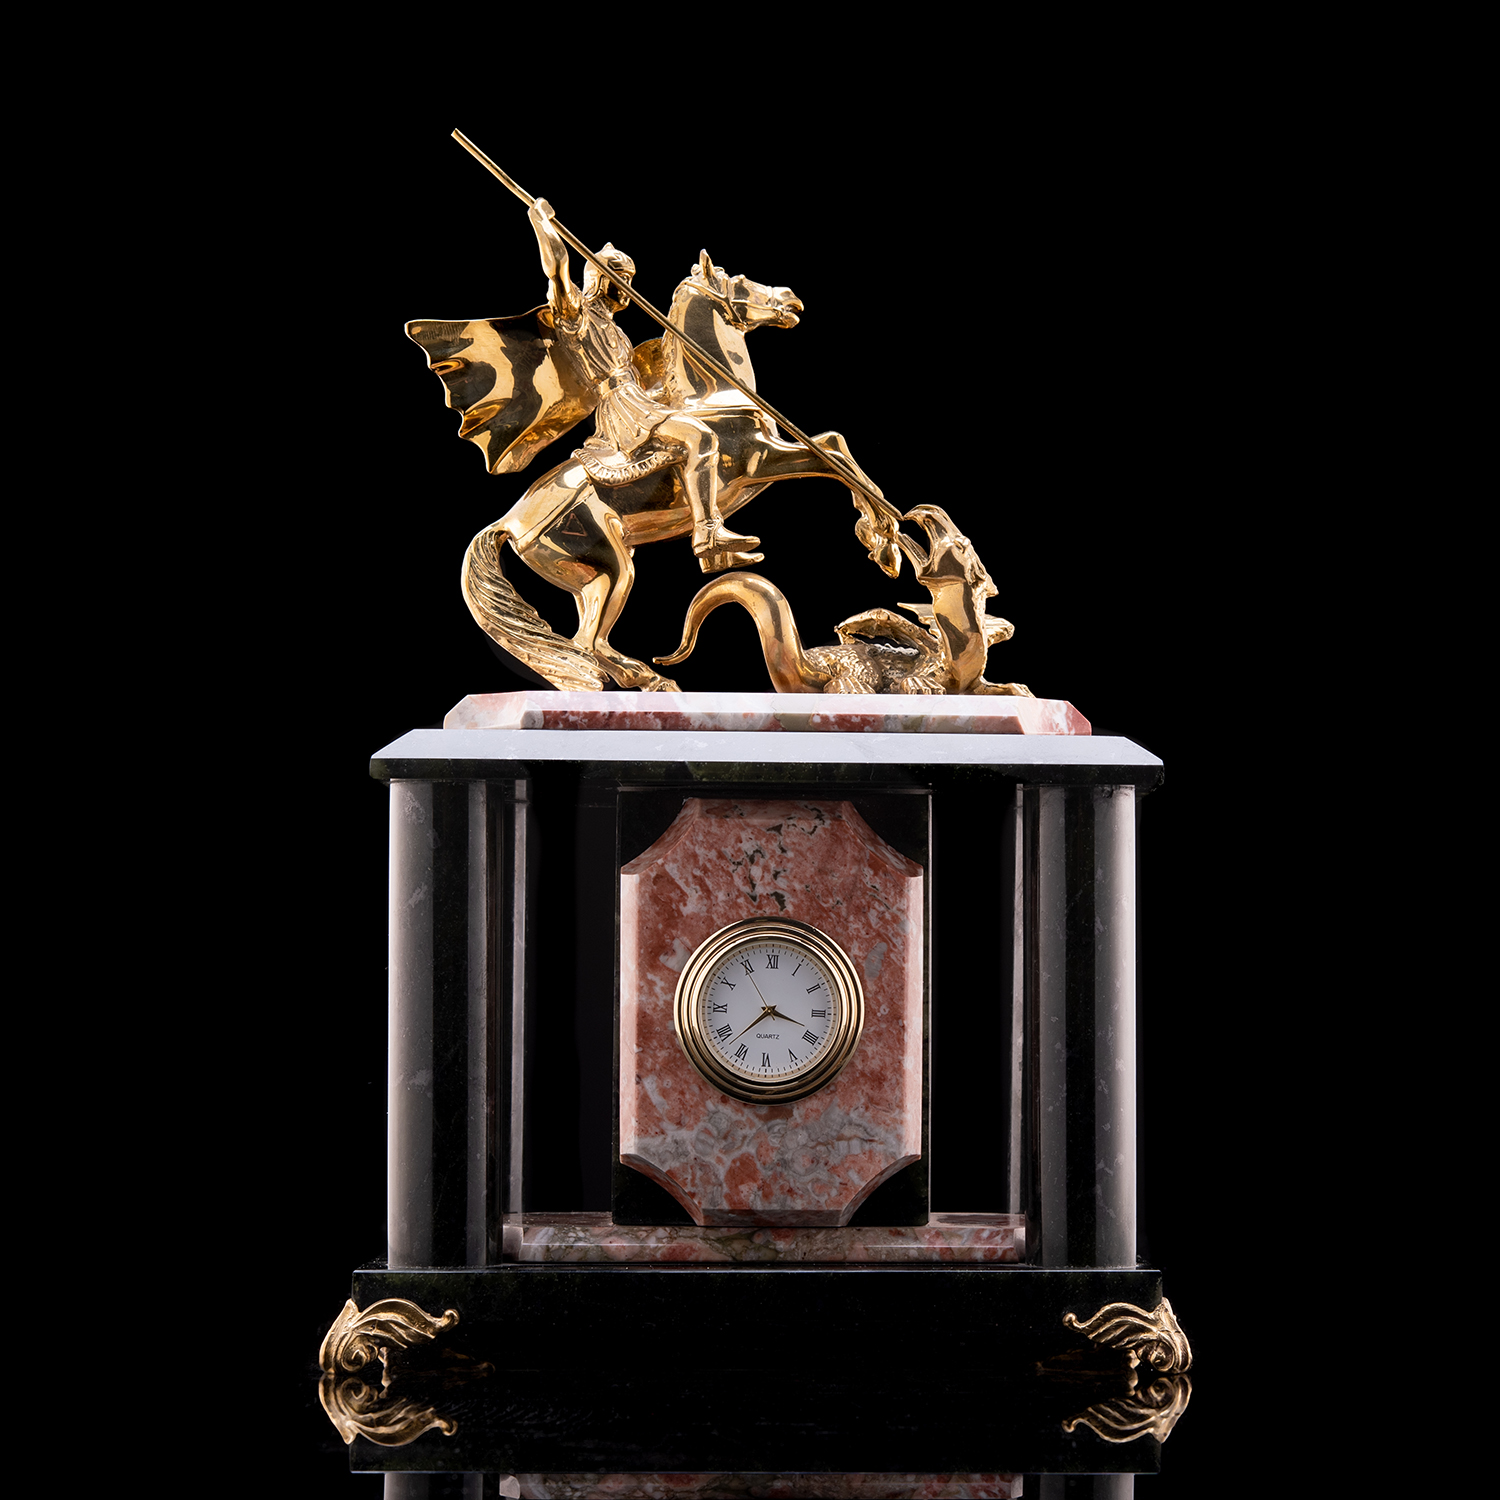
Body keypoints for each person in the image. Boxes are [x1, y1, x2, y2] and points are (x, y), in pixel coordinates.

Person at [528, 197, 761, 573]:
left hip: (639, 400)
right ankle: (708, 534)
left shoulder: (616, 331)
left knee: (699, 428)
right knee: (700, 437)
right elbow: (557, 272)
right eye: (622, 278)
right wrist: (543, 225)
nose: (628, 287)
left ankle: (716, 550)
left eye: (630, 279)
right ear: (601, 279)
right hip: (621, 410)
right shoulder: (577, 317)